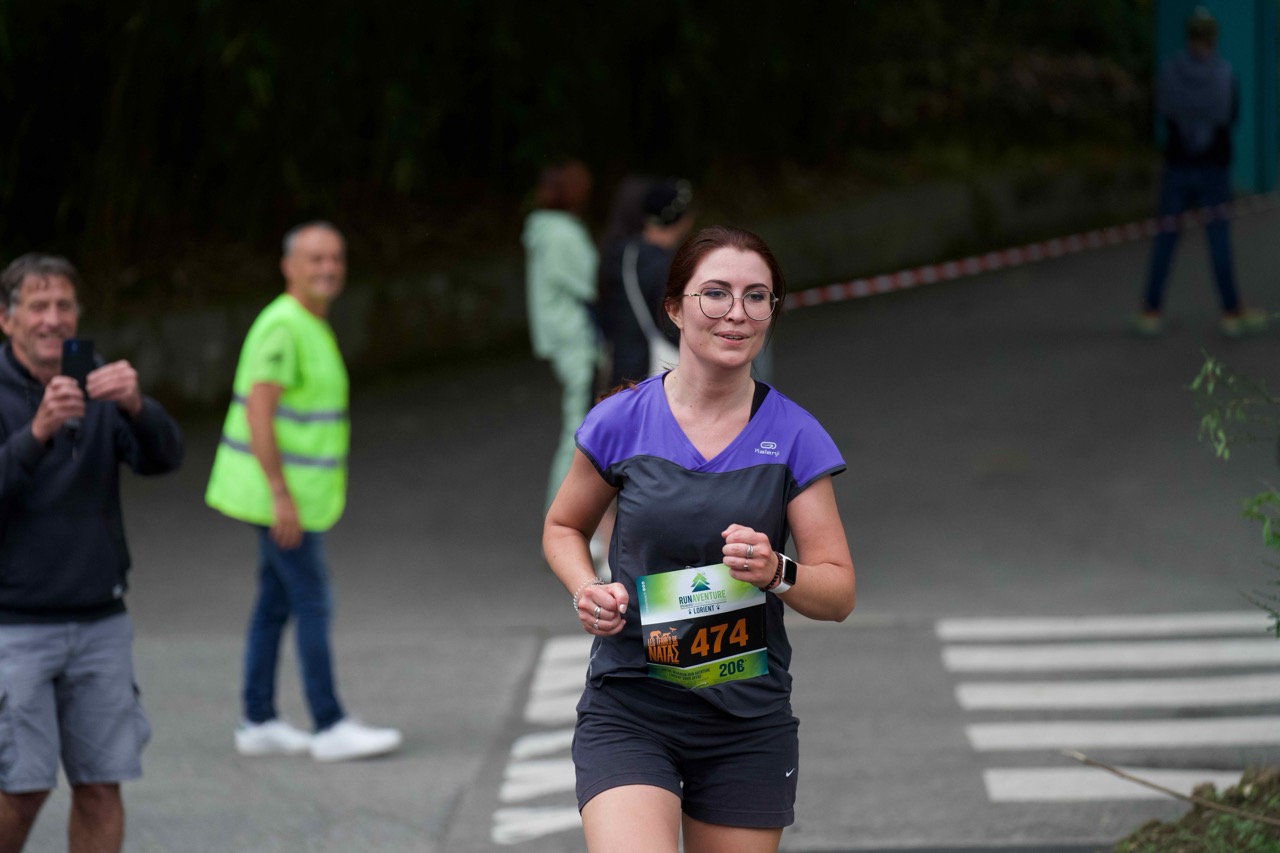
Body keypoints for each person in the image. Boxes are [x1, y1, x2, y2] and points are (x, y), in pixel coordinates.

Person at [543, 225, 856, 853]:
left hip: (745, 722)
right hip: (632, 707)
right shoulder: (621, 420)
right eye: (715, 293)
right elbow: (563, 526)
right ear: (675, 307)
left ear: (771, 312)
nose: (736, 312)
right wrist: (587, 587)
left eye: (756, 297)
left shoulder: (795, 435)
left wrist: (776, 570)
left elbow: (839, 591)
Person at [0, 254, 183, 852]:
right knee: (21, 790)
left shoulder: (98, 380)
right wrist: (37, 434)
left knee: (102, 788)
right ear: (7, 319)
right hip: (15, 624)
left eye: (64, 306)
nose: (52, 319)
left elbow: (164, 457)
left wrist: (137, 406)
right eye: (38, 306)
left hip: (100, 619)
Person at [205, 222, 402, 763]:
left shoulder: (308, 323)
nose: (328, 269)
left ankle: (258, 719)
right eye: (315, 259)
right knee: (312, 599)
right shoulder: (283, 325)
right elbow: (258, 412)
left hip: (290, 494)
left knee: (275, 602)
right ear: (288, 266)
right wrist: (280, 495)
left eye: (335, 258)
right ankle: (328, 723)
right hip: (275, 496)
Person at [1132, 6, 1266, 339]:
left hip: (1178, 165)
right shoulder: (1224, 74)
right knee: (1218, 238)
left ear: (1188, 37)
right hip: (1213, 168)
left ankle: (1150, 311)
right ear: (1213, 38)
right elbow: (1230, 115)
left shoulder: (1169, 71)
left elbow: (1161, 112)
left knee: (1166, 238)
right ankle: (1231, 312)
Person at [522, 159, 599, 509]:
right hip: (577, 341)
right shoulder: (563, 234)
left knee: (581, 432)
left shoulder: (543, 229)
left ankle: (567, 521)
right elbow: (593, 283)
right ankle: (560, 521)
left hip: (562, 340)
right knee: (579, 437)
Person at [598, 178, 695, 387]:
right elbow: (672, 326)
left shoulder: (621, 252)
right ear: (683, 220)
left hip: (621, 364)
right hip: (653, 372)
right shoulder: (666, 267)